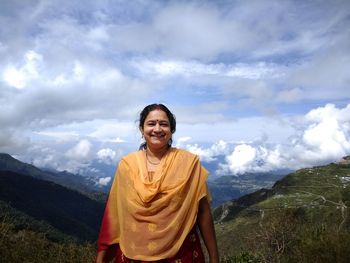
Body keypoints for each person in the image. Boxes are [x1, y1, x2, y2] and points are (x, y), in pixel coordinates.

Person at [96, 103, 219, 263]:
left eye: (164, 124)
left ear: (171, 130)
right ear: (141, 129)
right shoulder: (127, 165)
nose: (158, 129)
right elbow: (114, 214)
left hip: (181, 254)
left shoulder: (188, 164)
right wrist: (101, 257)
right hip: (133, 255)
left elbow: (203, 212)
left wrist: (214, 257)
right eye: (151, 123)